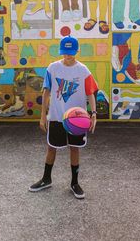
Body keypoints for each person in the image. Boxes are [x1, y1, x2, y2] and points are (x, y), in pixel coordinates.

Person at [29, 35, 98, 199]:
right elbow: (46, 92)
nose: (68, 56)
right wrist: (43, 116)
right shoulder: (52, 68)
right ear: (61, 51)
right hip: (56, 117)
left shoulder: (83, 70)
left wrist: (93, 114)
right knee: (51, 147)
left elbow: (90, 93)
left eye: (71, 52)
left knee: (74, 148)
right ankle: (46, 179)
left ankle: (74, 183)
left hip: (76, 118)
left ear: (77, 51)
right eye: (65, 52)